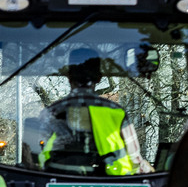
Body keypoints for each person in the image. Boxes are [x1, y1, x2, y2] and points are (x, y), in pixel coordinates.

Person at [39, 47, 150, 176]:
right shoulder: (116, 112)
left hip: (57, 181)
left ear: (68, 76)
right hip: (114, 186)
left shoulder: (51, 112)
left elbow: (39, 154)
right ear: (99, 78)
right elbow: (134, 158)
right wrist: (148, 170)